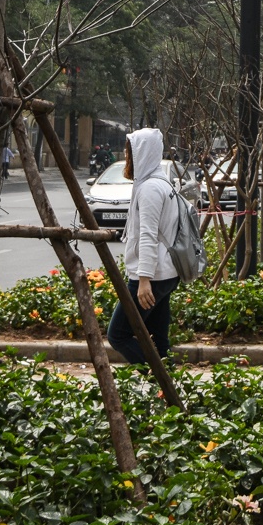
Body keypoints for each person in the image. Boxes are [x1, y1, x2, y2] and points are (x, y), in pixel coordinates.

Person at [106, 128, 178, 364]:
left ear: (142, 153)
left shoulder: (149, 188)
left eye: (131, 152)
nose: (128, 158)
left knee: (118, 335)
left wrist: (144, 279)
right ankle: (172, 392)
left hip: (152, 275)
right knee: (159, 340)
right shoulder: (163, 183)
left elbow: (148, 235)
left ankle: (162, 381)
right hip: (166, 272)